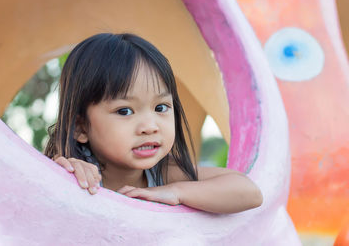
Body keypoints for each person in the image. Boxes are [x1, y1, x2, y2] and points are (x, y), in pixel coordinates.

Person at [44, 33, 263, 213]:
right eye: (125, 111)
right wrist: (65, 172)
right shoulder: (76, 173)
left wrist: (177, 192)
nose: (150, 127)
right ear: (80, 127)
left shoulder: (163, 174)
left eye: (160, 108)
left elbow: (249, 192)